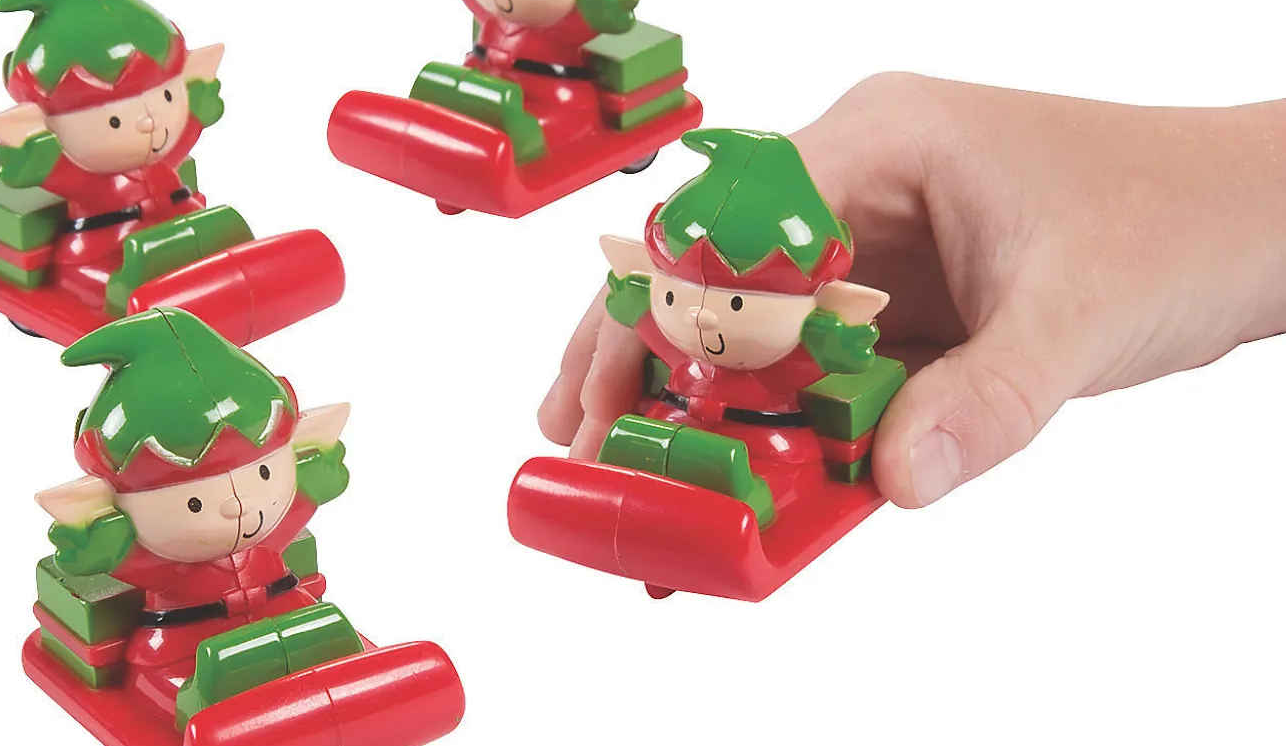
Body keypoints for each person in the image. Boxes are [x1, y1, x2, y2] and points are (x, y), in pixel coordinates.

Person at [539, 73, 1286, 508]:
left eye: (736, 303)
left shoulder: (794, 350)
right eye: (680, 294)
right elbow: (651, 319)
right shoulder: (673, 336)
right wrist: (644, 306)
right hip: (679, 418)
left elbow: (822, 354)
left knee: (743, 463)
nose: (703, 318)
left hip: (771, 445)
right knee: (640, 429)